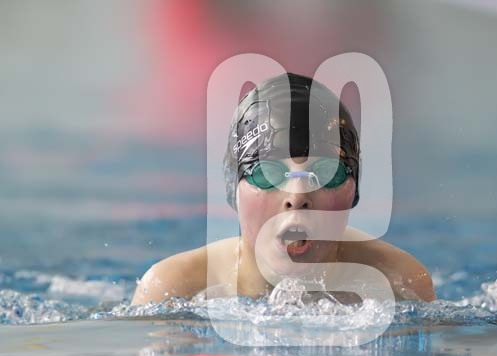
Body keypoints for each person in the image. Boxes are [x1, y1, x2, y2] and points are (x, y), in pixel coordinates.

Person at [131, 72, 435, 305]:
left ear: (354, 188)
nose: (297, 196)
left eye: (325, 173)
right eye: (268, 173)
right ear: (233, 189)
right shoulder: (175, 289)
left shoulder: (399, 284)